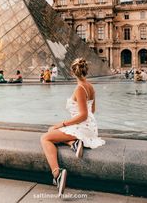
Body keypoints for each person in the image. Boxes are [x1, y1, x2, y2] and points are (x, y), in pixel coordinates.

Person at [40, 58, 105, 197]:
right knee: (55, 133)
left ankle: (57, 173)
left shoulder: (79, 88)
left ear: (72, 72)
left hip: (83, 125)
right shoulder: (90, 86)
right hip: (90, 126)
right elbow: (92, 110)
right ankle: (74, 143)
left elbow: (83, 115)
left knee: (46, 137)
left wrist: (62, 124)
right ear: (86, 70)